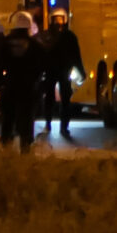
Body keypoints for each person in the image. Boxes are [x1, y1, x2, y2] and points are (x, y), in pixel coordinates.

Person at [0, 11, 46, 154]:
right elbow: (43, 66)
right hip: (28, 88)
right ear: (29, 26)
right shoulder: (36, 45)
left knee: (8, 118)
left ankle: (6, 145)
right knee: (27, 118)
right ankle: (25, 147)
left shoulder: (4, 44)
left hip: (9, 86)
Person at [42, 9, 84, 139]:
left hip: (64, 71)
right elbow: (40, 54)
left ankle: (64, 126)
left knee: (65, 99)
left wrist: (81, 70)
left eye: (61, 19)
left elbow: (76, 55)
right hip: (51, 71)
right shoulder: (47, 36)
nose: (58, 22)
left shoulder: (69, 36)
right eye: (56, 19)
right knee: (50, 98)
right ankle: (48, 122)